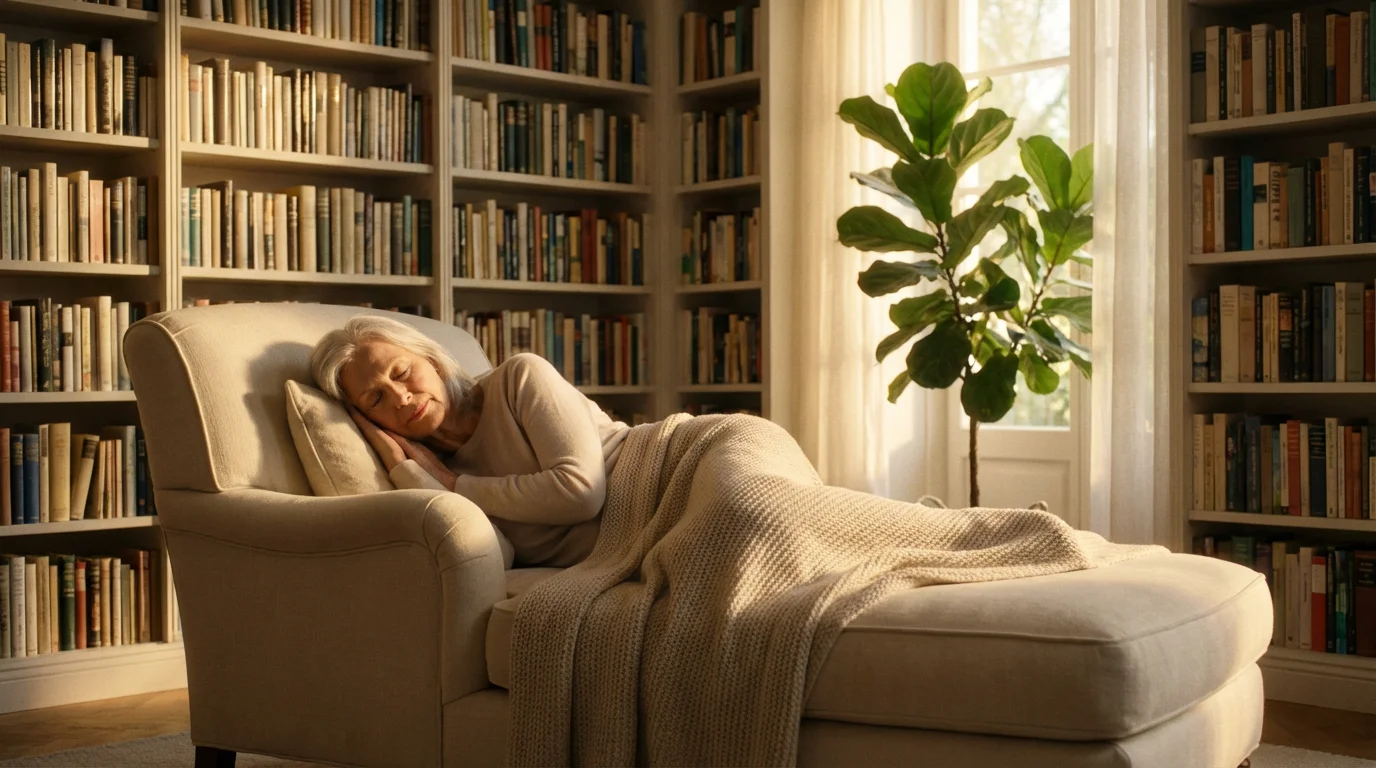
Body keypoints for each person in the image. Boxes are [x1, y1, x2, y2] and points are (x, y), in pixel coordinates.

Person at [310, 315, 630, 569]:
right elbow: (494, 558)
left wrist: (452, 483)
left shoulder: (519, 378)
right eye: (376, 399)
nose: (401, 397)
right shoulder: (430, 474)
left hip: (660, 471)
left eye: (402, 372)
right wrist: (405, 468)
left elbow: (582, 493)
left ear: (432, 361)